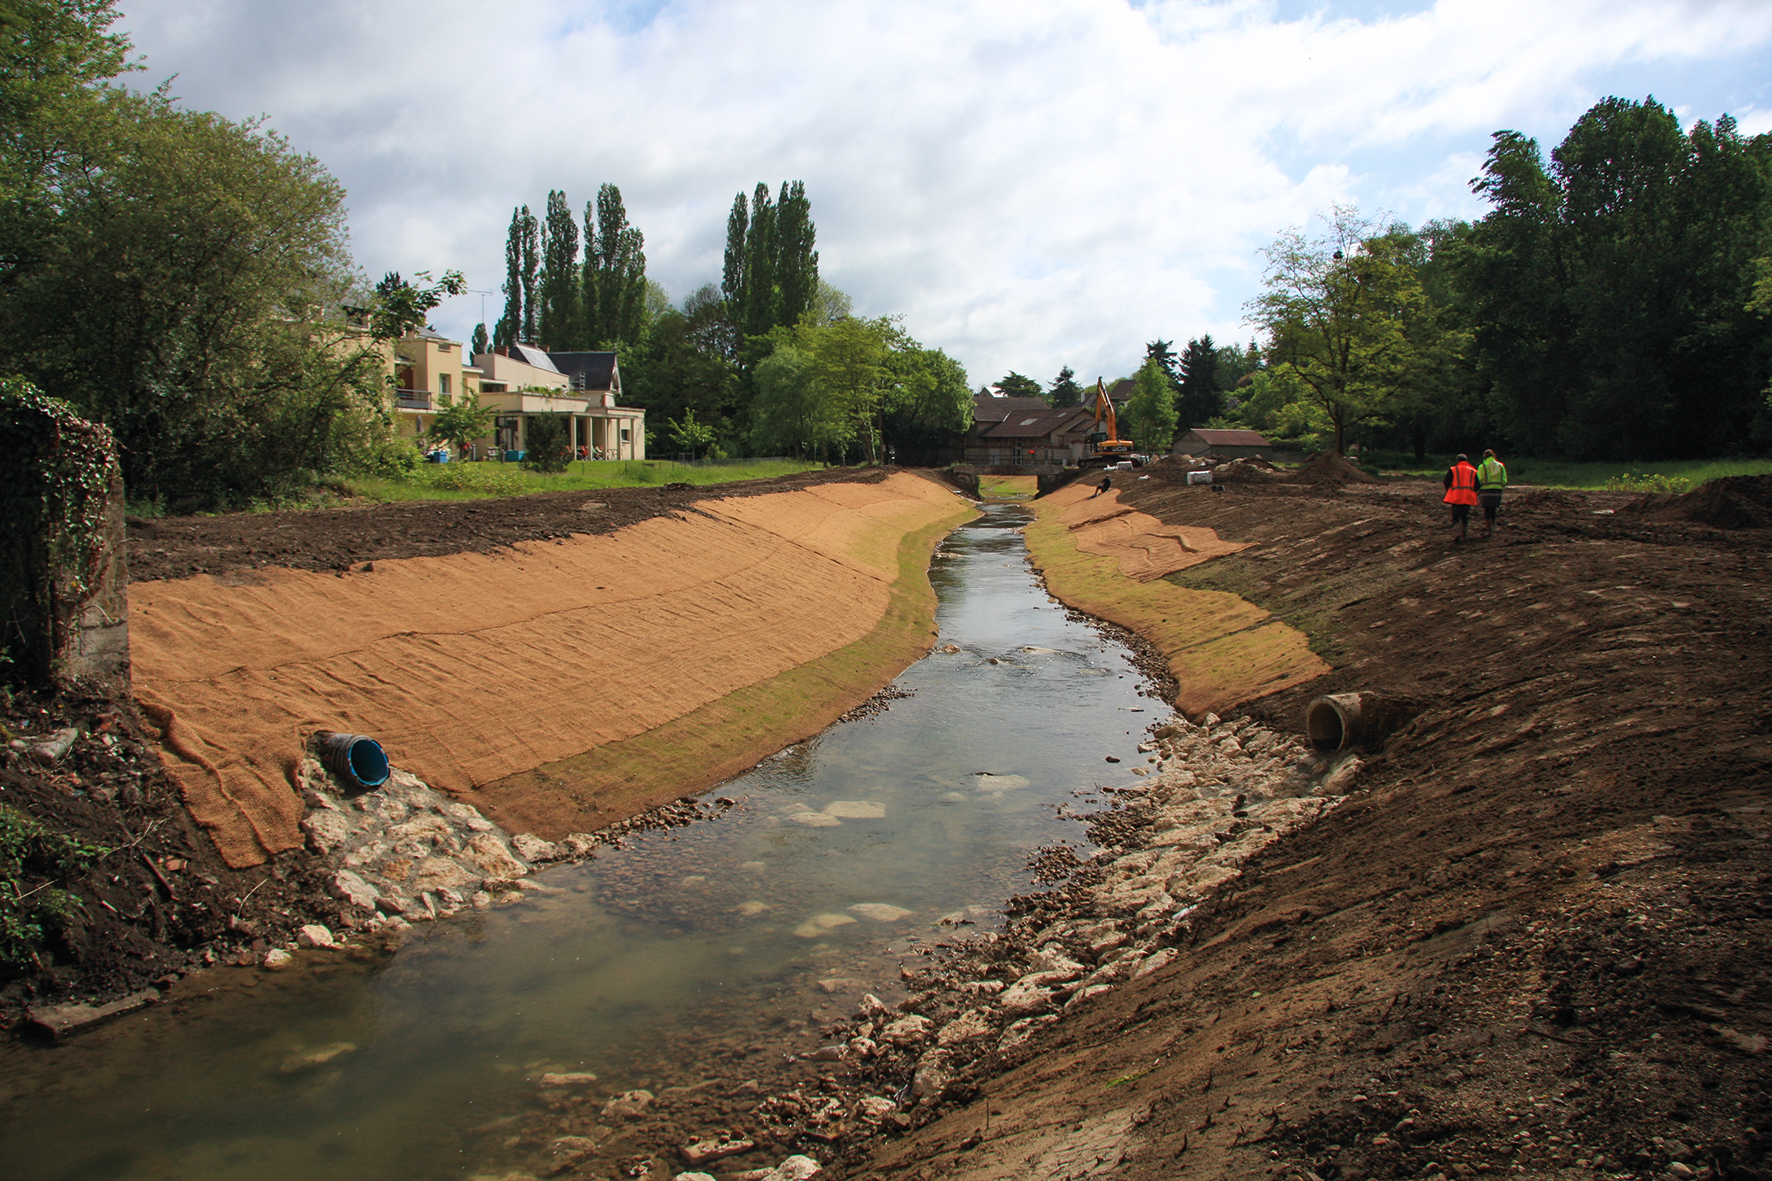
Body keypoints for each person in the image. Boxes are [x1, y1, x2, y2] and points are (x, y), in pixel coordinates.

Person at [1443, 453, 1480, 542]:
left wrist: (1449, 491)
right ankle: (1464, 535)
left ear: (1458, 460)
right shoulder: (1473, 470)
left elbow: (1446, 482)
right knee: (1465, 516)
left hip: (1456, 497)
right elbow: (1478, 485)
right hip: (1467, 497)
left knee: (1455, 517)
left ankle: (1457, 532)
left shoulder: (1453, 469)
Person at [1475, 448, 1508, 537]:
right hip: (1497, 490)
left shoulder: (1482, 466)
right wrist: (1501, 487)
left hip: (1485, 490)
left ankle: (1488, 530)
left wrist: (1477, 490)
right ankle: (1494, 527)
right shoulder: (1500, 466)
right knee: (1494, 509)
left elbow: (1480, 479)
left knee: (1487, 510)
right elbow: (1504, 479)